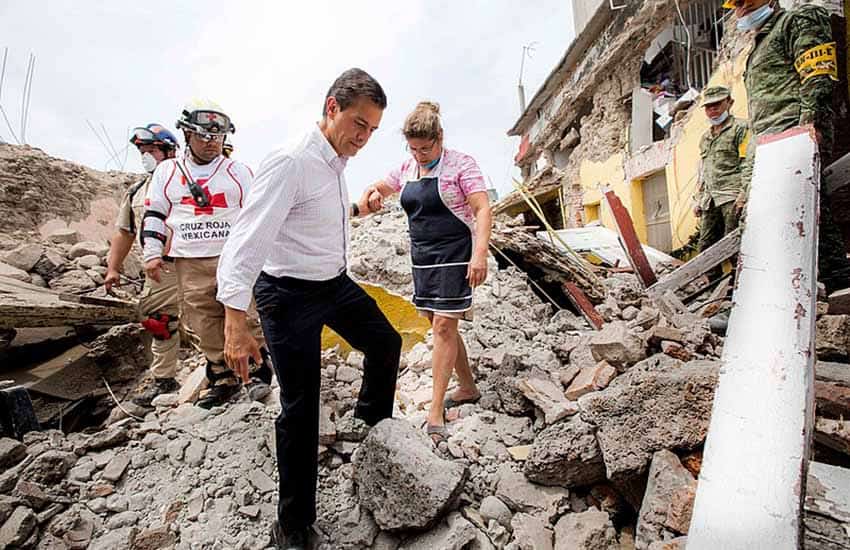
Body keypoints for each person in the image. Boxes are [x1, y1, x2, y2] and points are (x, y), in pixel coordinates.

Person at [217, 68, 401, 550]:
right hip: (286, 296)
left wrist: (359, 210)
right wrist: (236, 321)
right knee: (300, 409)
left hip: (333, 285)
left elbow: (315, 219)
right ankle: (293, 524)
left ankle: (371, 426)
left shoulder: (334, 163)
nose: (363, 138)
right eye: (358, 124)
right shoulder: (293, 160)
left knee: (386, 341)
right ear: (332, 107)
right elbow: (247, 239)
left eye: (373, 130)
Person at [358, 101, 492, 442]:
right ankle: (468, 387)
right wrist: (371, 193)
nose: (420, 154)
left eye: (426, 148)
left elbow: (482, 209)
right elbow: (382, 187)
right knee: (440, 324)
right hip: (423, 258)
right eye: (414, 148)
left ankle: (434, 410)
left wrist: (480, 256)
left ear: (440, 137)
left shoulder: (462, 165)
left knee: (446, 326)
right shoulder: (406, 167)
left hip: (455, 254)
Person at [142, 99, 273, 409]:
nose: (212, 143)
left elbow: (258, 213)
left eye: (218, 136)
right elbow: (155, 213)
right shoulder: (167, 172)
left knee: (246, 313)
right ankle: (222, 375)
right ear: (187, 133)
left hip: (234, 256)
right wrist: (151, 252)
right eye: (204, 136)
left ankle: (256, 371)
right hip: (189, 260)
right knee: (203, 320)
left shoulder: (238, 172)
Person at [727, 0, 850, 293]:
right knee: (781, 214)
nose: (740, 10)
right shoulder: (758, 46)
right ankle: (783, 292)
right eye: (736, 5)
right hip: (767, 144)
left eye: (746, 2)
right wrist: (746, 181)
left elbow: (817, 76)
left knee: (804, 205)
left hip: (793, 134)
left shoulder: (798, 20)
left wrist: (810, 128)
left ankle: (833, 282)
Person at [106, 124, 183, 406]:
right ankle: (164, 379)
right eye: (142, 151)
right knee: (159, 321)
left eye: (150, 150)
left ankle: (231, 373)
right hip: (161, 269)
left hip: (199, 264)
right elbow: (124, 231)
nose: (145, 156)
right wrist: (113, 268)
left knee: (214, 317)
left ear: (169, 150)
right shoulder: (137, 191)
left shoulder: (192, 181)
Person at [693, 86, 749, 253]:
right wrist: (699, 199)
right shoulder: (705, 138)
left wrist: (743, 195)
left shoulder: (741, 128)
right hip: (710, 199)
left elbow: (748, 163)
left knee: (733, 243)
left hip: (732, 195)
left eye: (717, 105)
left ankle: (736, 279)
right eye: (708, 107)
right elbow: (704, 170)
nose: (712, 110)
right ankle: (711, 279)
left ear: (729, 103)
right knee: (705, 247)